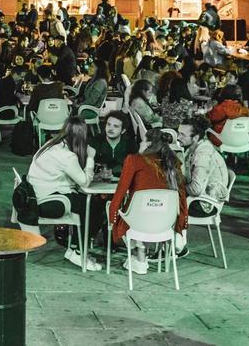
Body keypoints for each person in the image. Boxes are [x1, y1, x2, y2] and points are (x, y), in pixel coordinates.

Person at [109, 129, 188, 275]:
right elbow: (182, 196)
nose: (140, 143)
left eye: (143, 140)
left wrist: (112, 215)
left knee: (125, 211)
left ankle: (139, 258)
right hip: (165, 223)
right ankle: (140, 258)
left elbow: (120, 192)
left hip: (138, 221)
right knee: (146, 211)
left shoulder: (134, 160)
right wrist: (182, 222)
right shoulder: (174, 161)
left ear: (149, 144)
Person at [27, 116, 102, 270]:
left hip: (35, 197)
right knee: (94, 206)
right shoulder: (67, 156)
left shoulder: (51, 144)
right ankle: (78, 251)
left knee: (85, 202)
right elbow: (85, 181)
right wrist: (91, 158)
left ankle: (74, 248)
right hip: (48, 202)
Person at [179, 116, 230, 220]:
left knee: (164, 202)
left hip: (205, 205)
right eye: (178, 133)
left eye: (182, 135)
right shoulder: (194, 148)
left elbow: (196, 189)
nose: (178, 137)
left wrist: (176, 187)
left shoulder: (203, 155)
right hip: (199, 198)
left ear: (196, 137)